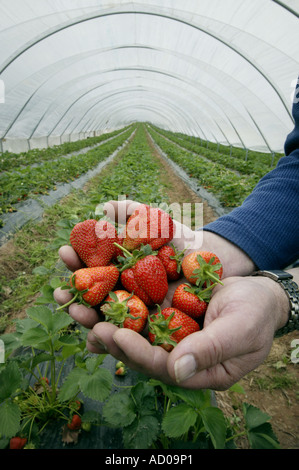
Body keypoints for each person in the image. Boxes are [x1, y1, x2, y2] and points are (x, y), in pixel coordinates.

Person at [54, 81, 299, 391]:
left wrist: (278, 300)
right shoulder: (144, 267)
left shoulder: (147, 268)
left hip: (149, 286)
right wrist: (242, 250)